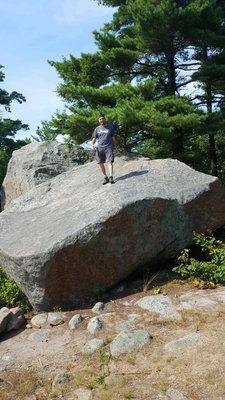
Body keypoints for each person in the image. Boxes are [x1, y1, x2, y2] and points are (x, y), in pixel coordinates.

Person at [92, 115, 116, 184]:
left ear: (105, 119)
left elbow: (113, 137)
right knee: (100, 163)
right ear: (98, 121)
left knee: (110, 161)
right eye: (100, 119)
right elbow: (94, 138)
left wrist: (115, 145)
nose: (101, 120)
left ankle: (111, 177)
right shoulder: (97, 129)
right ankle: (106, 177)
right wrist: (93, 144)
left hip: (108, 147)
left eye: (103, 119)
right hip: (99, 148)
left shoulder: (110, 127)